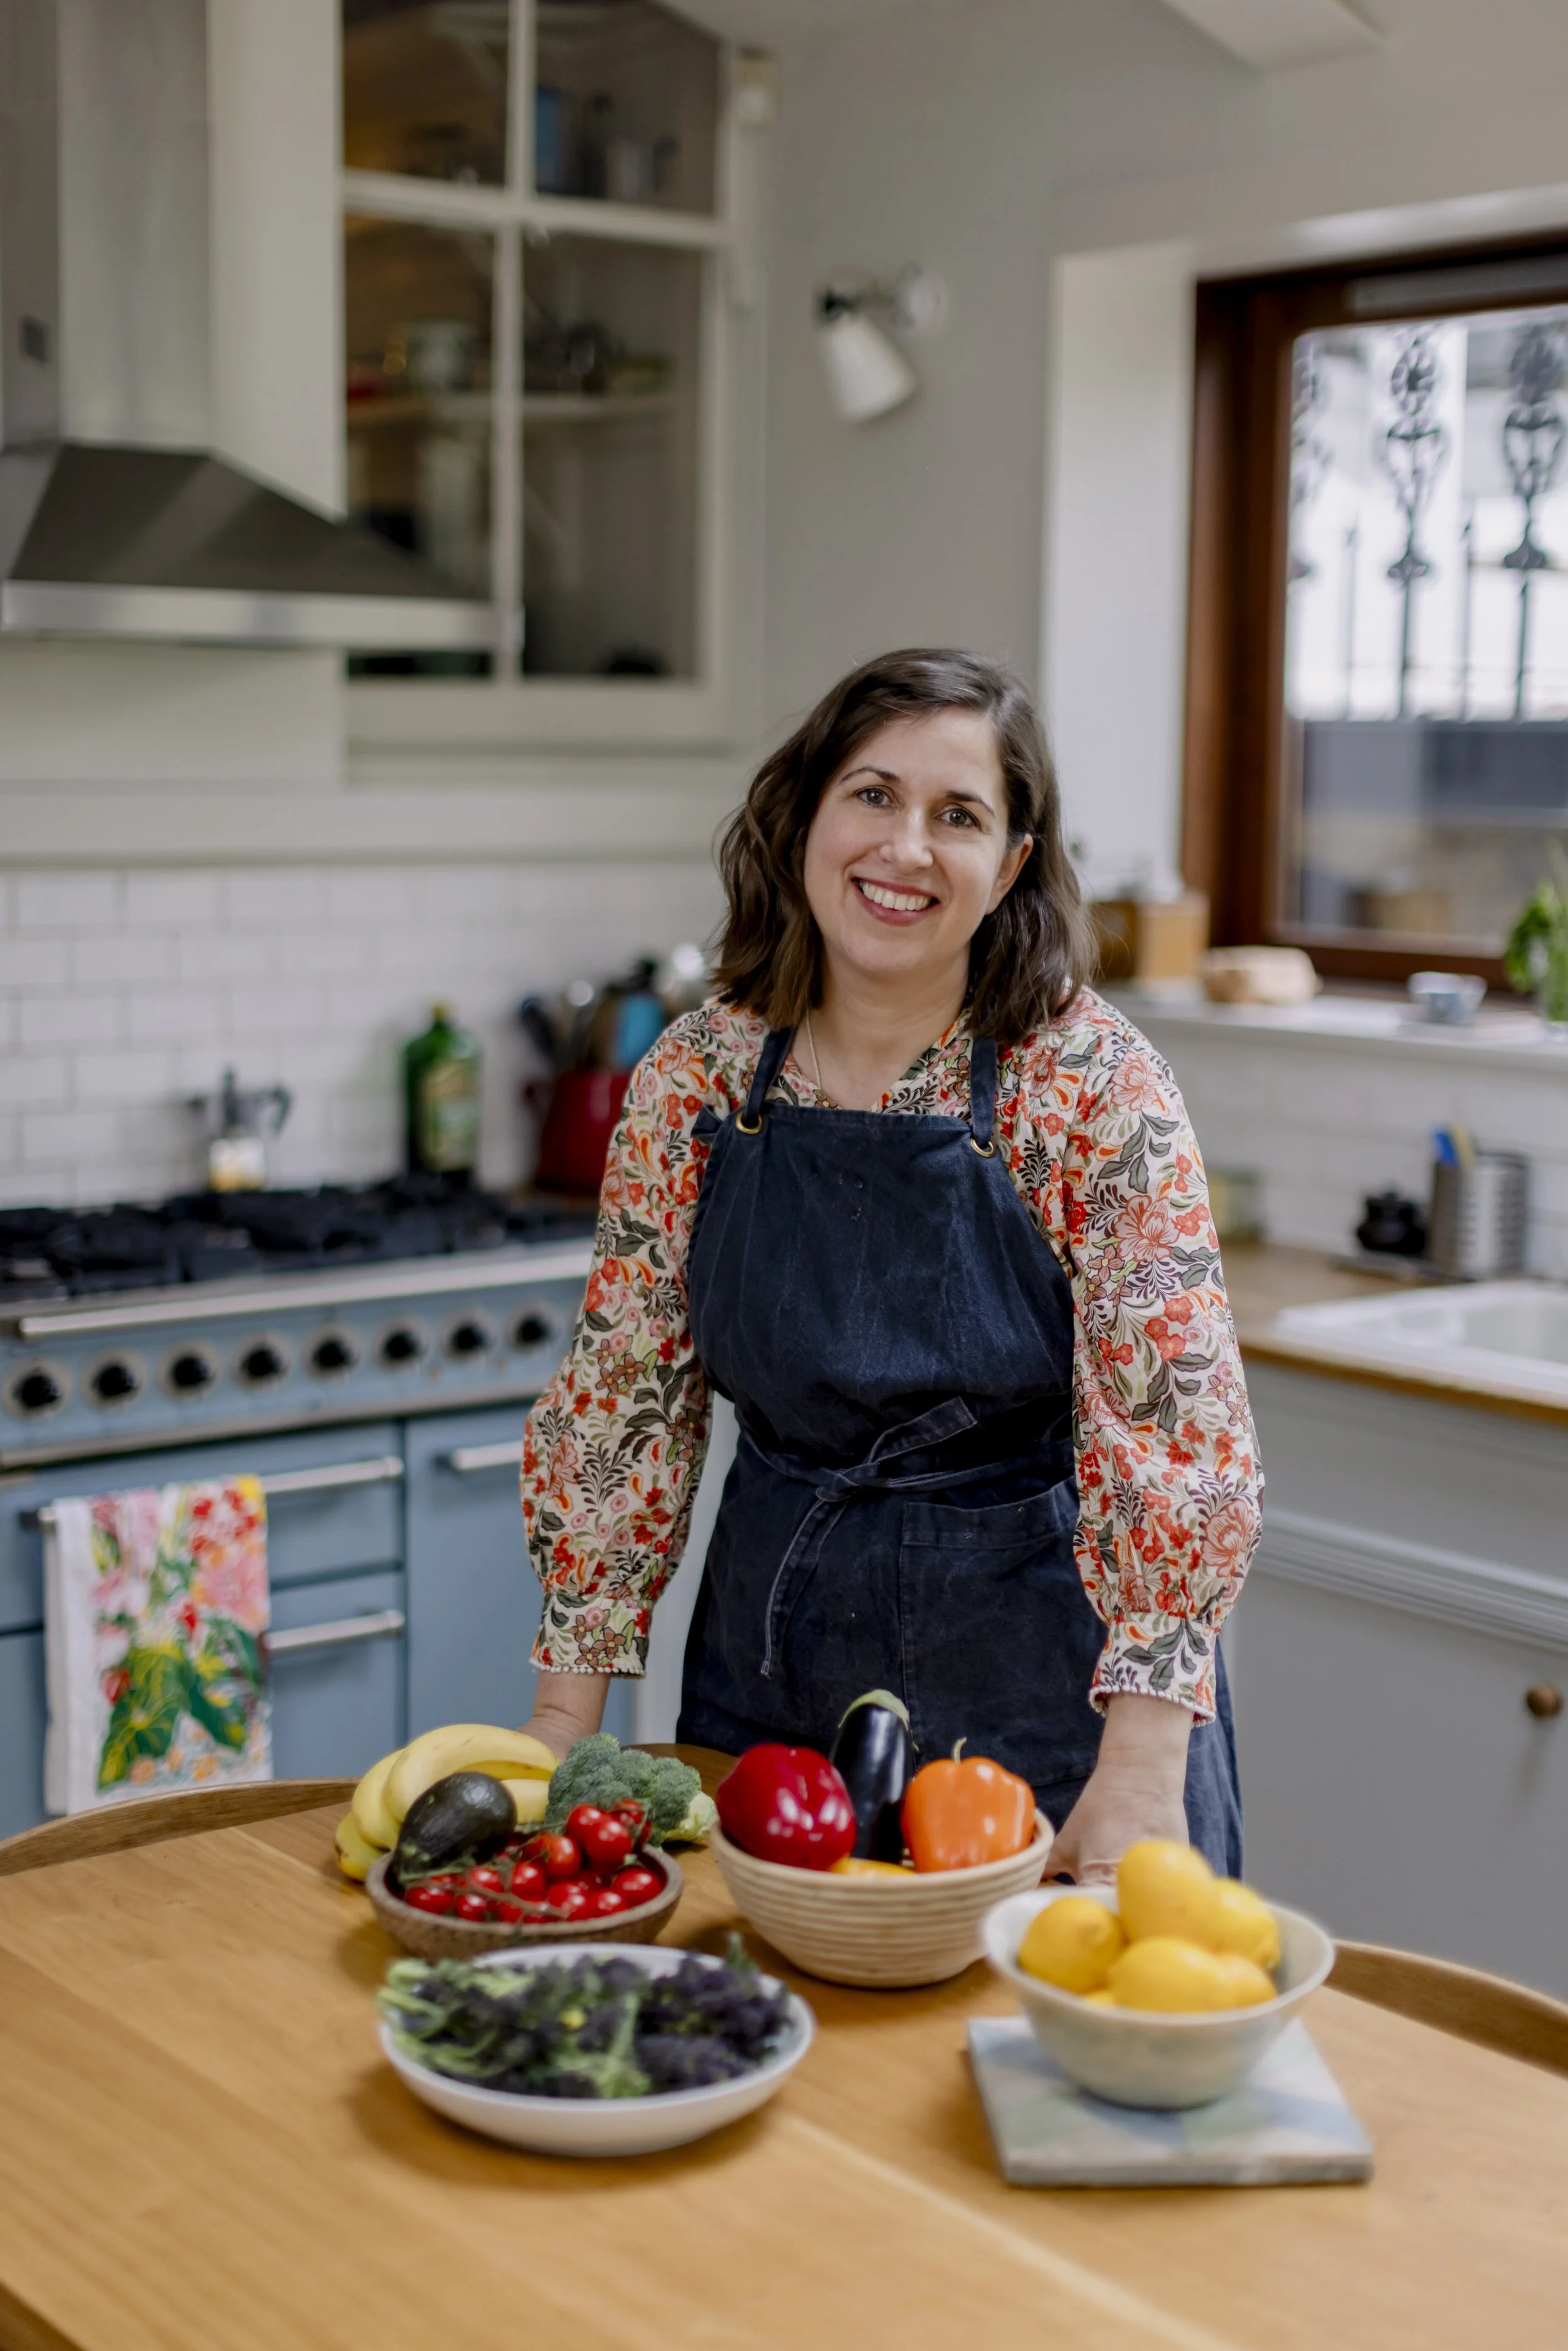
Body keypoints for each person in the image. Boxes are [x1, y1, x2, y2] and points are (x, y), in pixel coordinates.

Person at [519, 649, 1259, 1881]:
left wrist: (1137, 1768)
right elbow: (622, 1410)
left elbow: (1174, 1441)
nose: (902, 847)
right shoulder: (698, 1077)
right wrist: (558, 1723)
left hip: (1046, 1703)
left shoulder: (1085, 1082)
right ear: (806, 811)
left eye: (956, 814)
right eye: (871, 794)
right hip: (768, 1676)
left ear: (1011, 861)